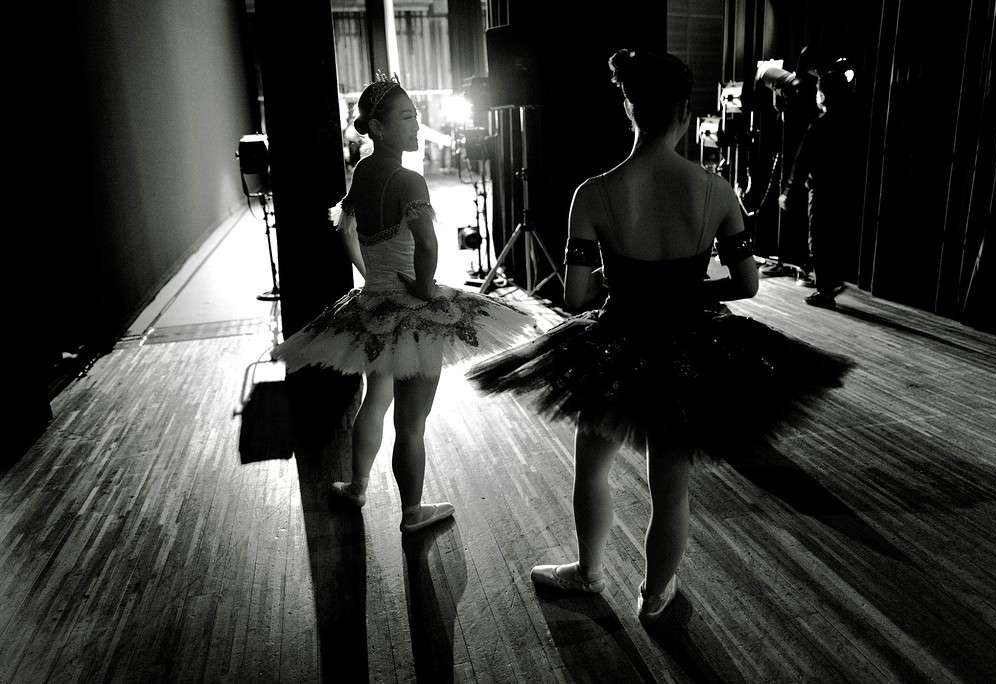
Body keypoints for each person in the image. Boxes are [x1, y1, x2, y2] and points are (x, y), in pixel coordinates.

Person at [467, 51, 852, 624]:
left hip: (616, 342)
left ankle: (589, 572)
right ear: (685, 113)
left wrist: (624, 279)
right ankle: (654, 594)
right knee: (671, 484)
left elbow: (574, 298)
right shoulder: (716, 190)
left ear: (629, 107)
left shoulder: (592, 194)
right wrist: (685, 289)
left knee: (591, 467)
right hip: (686, 348)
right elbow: (746, 285)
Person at [273, 74, 536, 534]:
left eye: (416, 115)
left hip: (374, 304)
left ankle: (357, 487)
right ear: (377, 127)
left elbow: (346, 229)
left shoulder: (364, 173)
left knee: (375, 400)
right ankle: (412, 514)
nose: (417, 126)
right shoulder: (408, 179)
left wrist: (370, 276)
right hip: (412, 308)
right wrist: (423, 285)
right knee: (411, 423)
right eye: (407, 118)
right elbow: (428, 243)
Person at [778, 59, 858, 308]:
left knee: (819, 238)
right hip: (845, 190)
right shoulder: (851, 124)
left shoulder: (819, 125)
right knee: (836, 236)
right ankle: (834, 281)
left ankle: (825, 292)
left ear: (822, 95)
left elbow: (802, 161)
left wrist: (789, 192)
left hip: (822, 189)